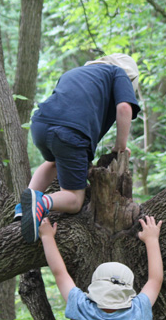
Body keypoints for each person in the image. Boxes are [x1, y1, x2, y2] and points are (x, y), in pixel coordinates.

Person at [16, 53, 141, 243]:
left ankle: (23, 207)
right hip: (70, 133)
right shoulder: (118, 73)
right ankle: (41, 203)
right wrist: (120, 148)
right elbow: (124, 108)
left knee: (53, 162)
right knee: (74, 200)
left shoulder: (74, 73)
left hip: (40, 124)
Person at [40, 215, 163, 320]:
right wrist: (151, 239)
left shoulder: (83, 308)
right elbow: (155, 280)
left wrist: (47, 237)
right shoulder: (137, 312)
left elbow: (60, 274)